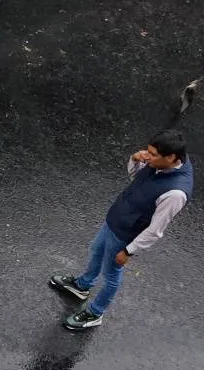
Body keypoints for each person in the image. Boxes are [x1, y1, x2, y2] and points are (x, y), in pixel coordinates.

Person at [50, 130, 192, 331]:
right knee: (96, 250)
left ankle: (95, 312)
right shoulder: (163, 163)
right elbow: (137, 178)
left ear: (170, 158)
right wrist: (134, 159)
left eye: (152, 154)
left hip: (125, 236)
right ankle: (82, 285)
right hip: (115, 220)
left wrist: (128, 251)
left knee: (111, 275)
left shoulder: (175, 193)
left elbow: (155, 230)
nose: (146, 156)